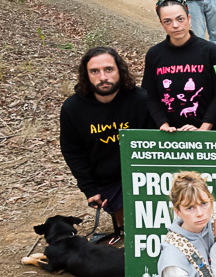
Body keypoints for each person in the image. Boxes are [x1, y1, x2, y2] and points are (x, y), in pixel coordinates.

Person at [143, 0, 216, 228]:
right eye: (168, 21)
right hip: (174, 133)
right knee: (186, 181)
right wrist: (163, 124)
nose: (175, 25)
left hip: (208, 131)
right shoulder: (155, 55)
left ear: (189, 19)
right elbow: (150, 95)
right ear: (162, 24)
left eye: (180, 19)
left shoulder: (209, 51)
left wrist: (205, 127)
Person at [59, 46, 153, 241]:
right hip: (106, 179)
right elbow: (73, 152)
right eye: (95, 71)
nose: (103, 77)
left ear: (120, 70)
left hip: (143, 173)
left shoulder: (141, 100)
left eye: (109, 69)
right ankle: (123, 224)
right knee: (133, 230)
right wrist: (89, 189)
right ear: (86, 75)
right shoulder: (73, 108)